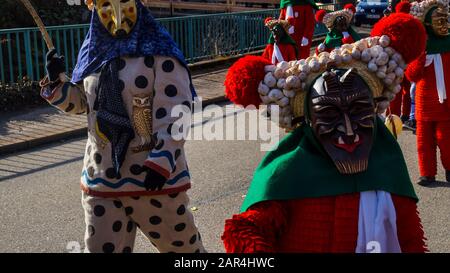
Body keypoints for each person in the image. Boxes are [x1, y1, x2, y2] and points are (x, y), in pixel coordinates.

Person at [222, 12, 428, 253]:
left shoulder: (386, 162)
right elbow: (245, 230)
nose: (349, 131)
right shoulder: (289, 170)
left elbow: (410, 240)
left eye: (359, 110)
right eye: (329, 115)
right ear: (309, 121)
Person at [40, 0, 205, 253]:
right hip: (102, 182)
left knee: (184, 253)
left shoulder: (160, 53)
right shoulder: (94, 53)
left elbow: (177, 112)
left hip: (155, 183)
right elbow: (85, 106)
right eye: (105, 5)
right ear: (94, 7)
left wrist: (161, 161)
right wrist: (58, 84)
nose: (115, 14)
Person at [405, 0, 450, 186]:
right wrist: (421, 57)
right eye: (439, 21)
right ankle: (427, 173)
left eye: (445, 20)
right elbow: (411, 75)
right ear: (427, 23)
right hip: (424, 101)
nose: (444, 25)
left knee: (446, 139)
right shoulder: (420, 47)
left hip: (446, 102)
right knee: (424, 142)